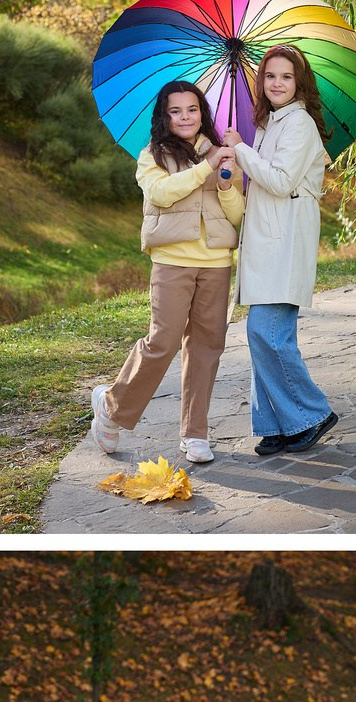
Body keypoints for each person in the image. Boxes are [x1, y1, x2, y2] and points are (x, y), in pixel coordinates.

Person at [91, 80, 246, 465]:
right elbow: (161, 194)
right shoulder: (151, 156)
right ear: (164, 116)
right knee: (163, 341)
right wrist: (205, 167)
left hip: (216, 262)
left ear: (202, 113)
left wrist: (227, 181)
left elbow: (238, 215)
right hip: (172, 262)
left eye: (192, 109)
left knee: (207, 346)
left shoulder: (223, 153)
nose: (185, 117)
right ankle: (112, 407)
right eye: (175, 111)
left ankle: (195, 434)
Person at [224, 46, 336, 455]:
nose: (276, 83)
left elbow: (281, 180)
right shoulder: (272, 123)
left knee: (267, 334)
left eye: (286, 77)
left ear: (299, 82)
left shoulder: (299, 123)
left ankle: (312, 414)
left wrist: (241, 149)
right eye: (270, 76)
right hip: (267, 241)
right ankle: (276, 423)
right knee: (263, 336)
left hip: (285, 241)